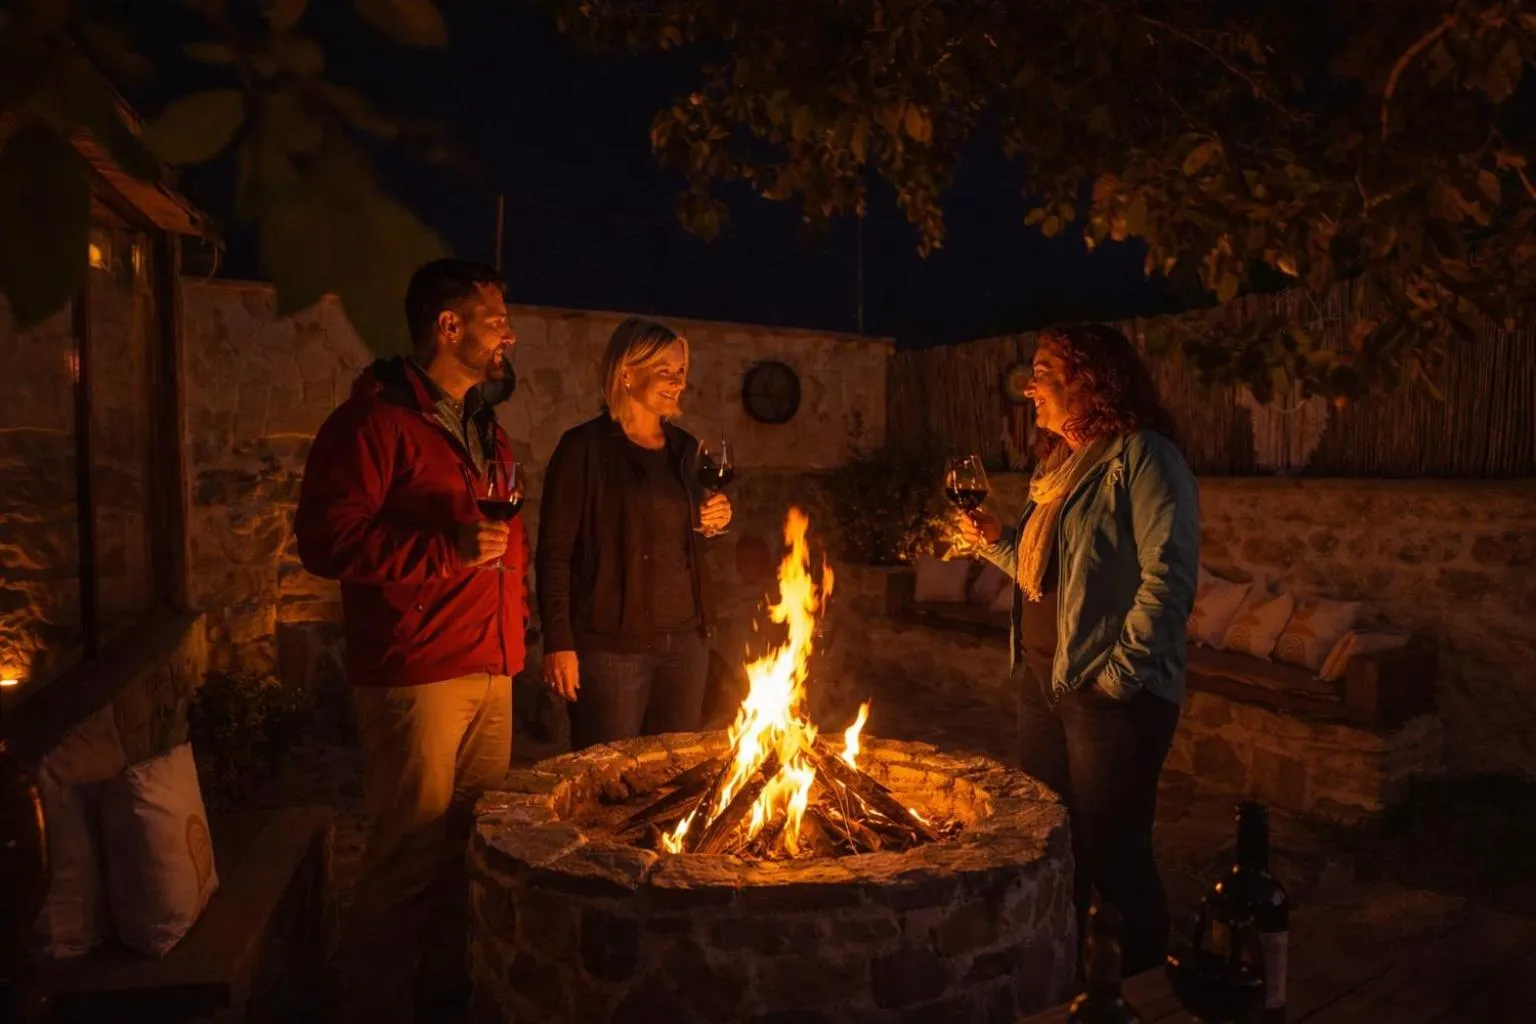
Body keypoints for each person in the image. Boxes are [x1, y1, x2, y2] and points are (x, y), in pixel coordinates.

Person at [294, 259, 526, 1022]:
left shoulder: (483, 427)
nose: (510, 333)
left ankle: (444, 997)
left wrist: (516, 629)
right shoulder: (372, 424)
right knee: (404, 861)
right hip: (419, 670)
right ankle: (372, 1005)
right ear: (447, 326)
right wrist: (446, 552)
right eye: (495, 320)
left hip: (490, 666)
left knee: (471, 853)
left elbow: (501, 538)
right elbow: (327, 540)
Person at [956, 323, 1199, 976]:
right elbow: (1046, 575)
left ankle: (1144, 985)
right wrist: (990, 538)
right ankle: (1075, 970)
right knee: (1053, 837)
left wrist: (1117, 678)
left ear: (1089, 381)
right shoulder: (1058, 469)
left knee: (1115, 851)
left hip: (1105, 692)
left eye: (1044, 371)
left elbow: (1169, 576)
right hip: (1044, 681)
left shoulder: (1144, 457)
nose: (1029, 386)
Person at [537, 317, 732, 749]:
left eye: (681, 371)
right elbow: (554, 553)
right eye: (665, 370)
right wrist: (559, 643)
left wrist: (713, 520)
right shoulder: (582, 449)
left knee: (672, 775)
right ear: (626, 372)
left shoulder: (685, 448)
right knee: (607, 775)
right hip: (610, 649)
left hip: (685, 645)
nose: (677, 382)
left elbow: (686, 528)